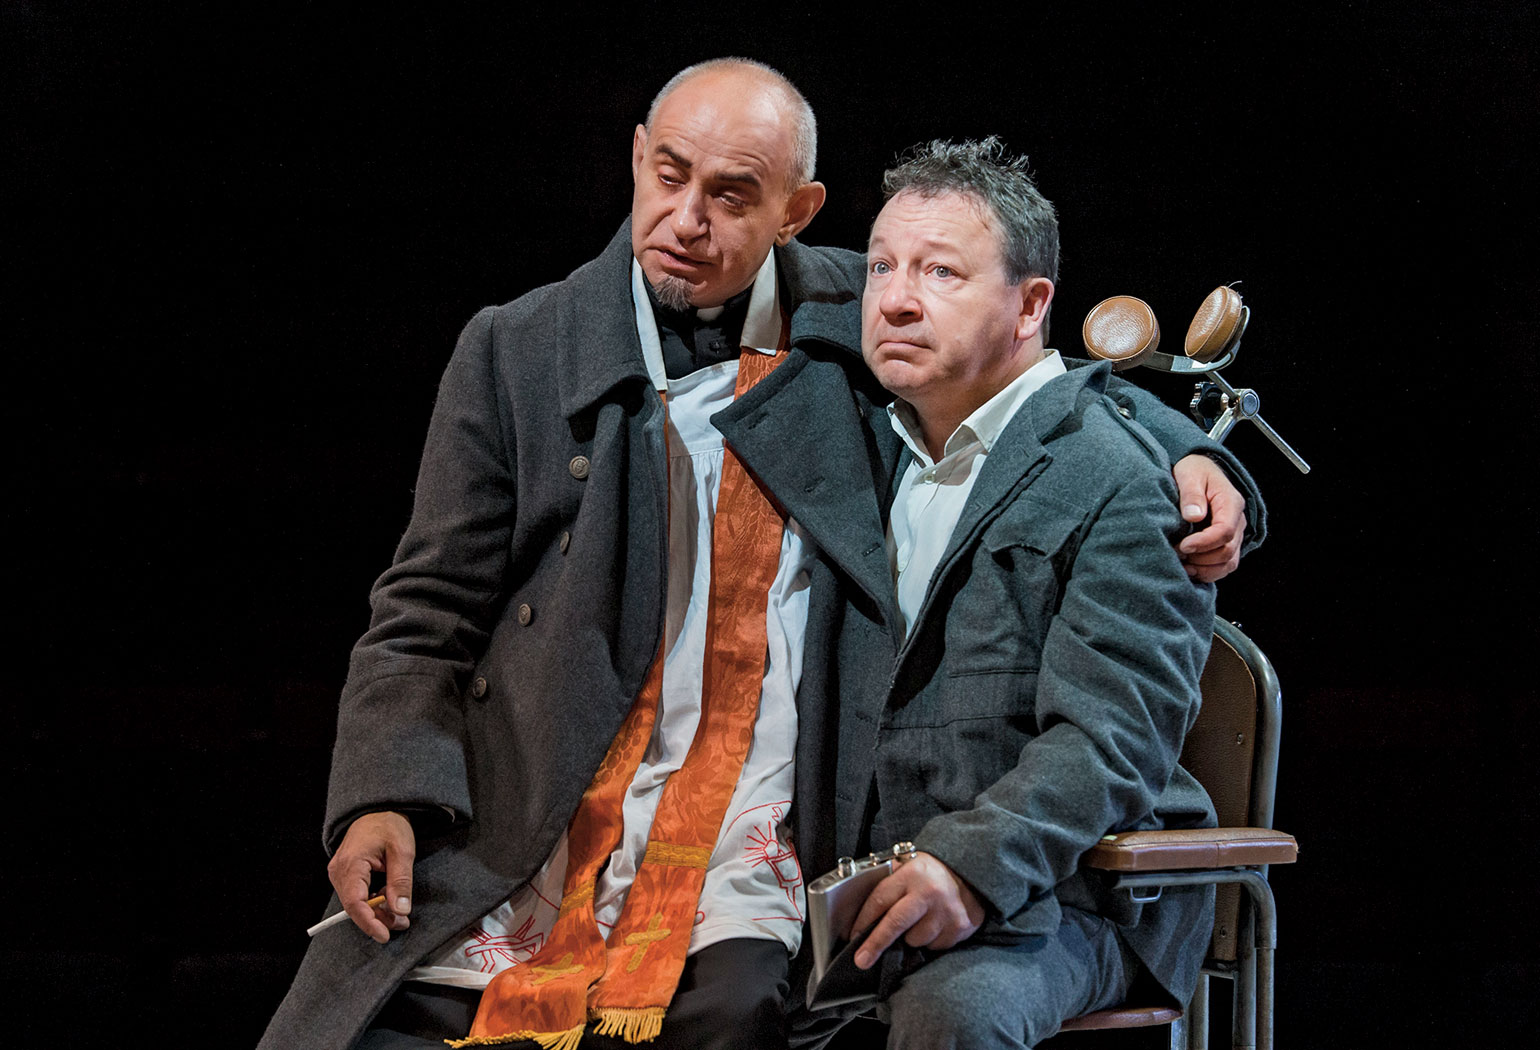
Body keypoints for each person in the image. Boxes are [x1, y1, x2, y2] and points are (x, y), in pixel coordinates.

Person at [260, 61, 1258, 1050]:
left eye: (732, 196)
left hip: (755, 801)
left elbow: (1023, 367)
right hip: (549, 779)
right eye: (669, 175)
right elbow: (426, 605)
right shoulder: (519, 348)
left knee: (738, 1014)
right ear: (637, 159)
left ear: (795, 213)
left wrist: (1187, 453)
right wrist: (383, 793)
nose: (686, 220)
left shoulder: (847, 310)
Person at [778, 138, 1222, 1049]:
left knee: (955, 1012)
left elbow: (1114, 739)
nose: (896, 299)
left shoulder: (1119, 480)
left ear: (1030, 306)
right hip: (864, 888)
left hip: (1065, 895)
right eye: (882, 268)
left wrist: (971, 867)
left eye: (942, 272)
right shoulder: (866, 444)